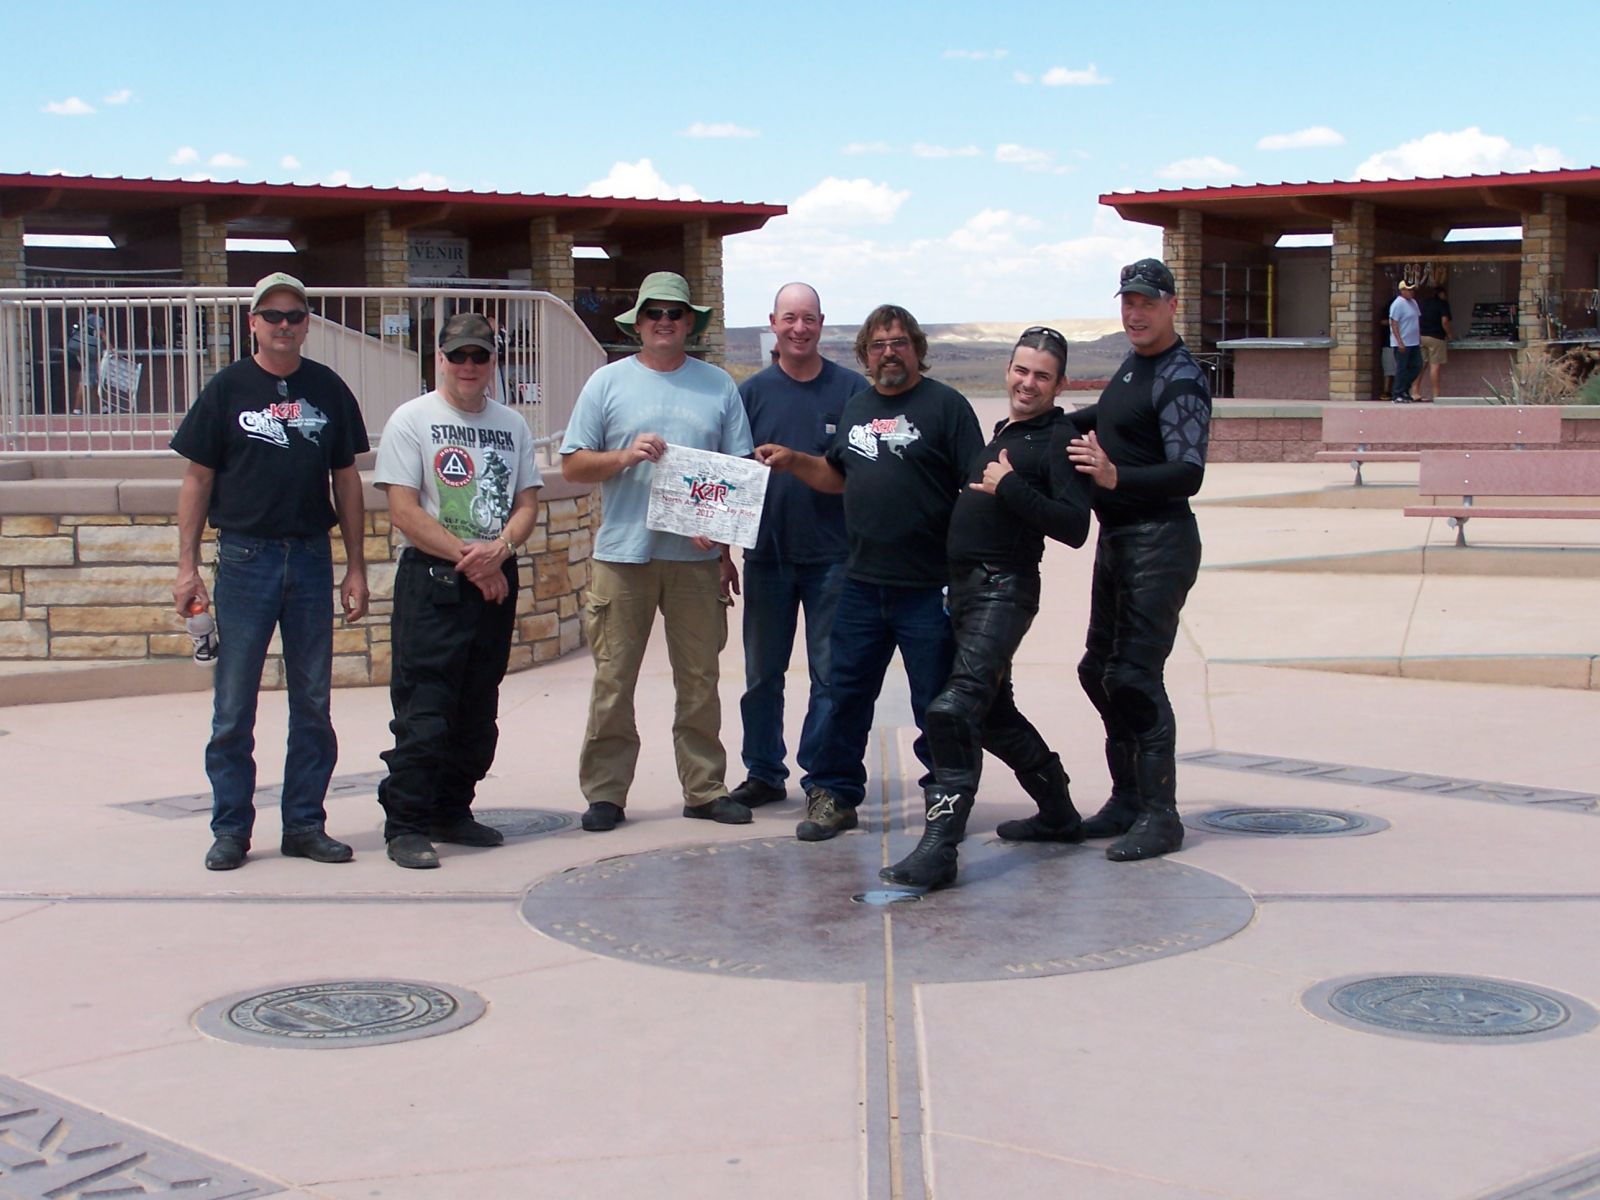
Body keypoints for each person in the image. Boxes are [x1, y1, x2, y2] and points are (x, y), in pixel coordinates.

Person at [757, 304, 983, 842]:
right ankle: (834, 795)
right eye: (878, 345)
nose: (889, 353)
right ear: (865, 354)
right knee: (844, 696)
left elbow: (976, 487)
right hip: (860, 582)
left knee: (937, 702)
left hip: (928, 586)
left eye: (899, 342)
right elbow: (838, 475)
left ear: (917, 349)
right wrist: (794, 460)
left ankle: (945, 797)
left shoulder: (947, 407)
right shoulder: (857, 408)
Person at [880, 327, 1093, 889]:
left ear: (1059, 384)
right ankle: (1059, 813)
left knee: (952, 710)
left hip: (1005, 589)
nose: (1028, 383)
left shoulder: (1058, 439)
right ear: (1008, 371)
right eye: (1021, 370)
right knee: (994, 719)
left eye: (1042, 376)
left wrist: (1010, 486)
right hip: (966, 591)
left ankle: (939, 850)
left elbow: (1074, 526)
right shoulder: (1007, 431)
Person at [171, 272, 369, 871]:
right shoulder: (227, 388)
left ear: (307, 325)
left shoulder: (327, 388)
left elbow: (346, 479)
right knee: (234, 707)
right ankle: (231, 829)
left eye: (294, 316)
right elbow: (197, 478)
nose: (284, 325)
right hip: (245, 559)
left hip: (309, 557)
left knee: (313, 703)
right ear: (253, 322)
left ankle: (305, 824)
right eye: (273, 315)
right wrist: (186, 567)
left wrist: (356, 566)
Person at [560, 271, 755, 832]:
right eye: (654, 313)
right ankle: (605, 793)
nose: (664, 321)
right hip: (624, 556)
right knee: (613, 679)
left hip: (695, 562)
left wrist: (719, 537)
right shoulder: (606, 383)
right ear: (638, 323)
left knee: (699, 680)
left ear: (690, 322)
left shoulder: (718, 386)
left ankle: (704, 788)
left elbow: (736, 473)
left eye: (674, 313)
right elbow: (573, 464)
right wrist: (624, 456)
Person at [372, 313, 542, 869]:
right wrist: (474, 560)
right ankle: (406, 824)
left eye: (480, 356)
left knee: (477, 707)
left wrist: (501, 550)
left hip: (494, 579)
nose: (469, 366)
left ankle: (452, 810)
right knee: (425, 709)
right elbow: (403, 510)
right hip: (435, 581)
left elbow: (526, 504)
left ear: (494, 362)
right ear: (440, 359)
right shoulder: (412, 419)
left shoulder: (512, 425)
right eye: (458, 356)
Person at [1064, 258, 1209, 862]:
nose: (1136, 313)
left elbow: (1188, 471)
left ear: (1172, 305)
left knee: (1133, 676)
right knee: (1097, 670)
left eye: (1148, 302)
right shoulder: (1134, 365)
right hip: (1119, 539)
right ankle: (1127, 799)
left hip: (1160, 543)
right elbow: (1111, 417)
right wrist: (1042, 426)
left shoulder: (1181, 377)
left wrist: (1116, 476)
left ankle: (1160, 814)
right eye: (1128, 302)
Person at [730, 283, 868, 811]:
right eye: (789, 318)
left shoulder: (851, 390)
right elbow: (731, 476)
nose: (799, 328)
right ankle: (764, 772)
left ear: (821, 323)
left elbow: (863, 472)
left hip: (834, 558)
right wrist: (721, 548)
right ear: (773, 323)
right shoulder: (751, 394)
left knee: (830, 676)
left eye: (808, 318)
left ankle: (822, 780)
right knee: (761, 676)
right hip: (767, 556)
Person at [1418, 284, 1453, 403]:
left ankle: (1415, 391)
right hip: (1436, 337)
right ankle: (1436, 395)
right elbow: (1445, 321)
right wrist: (1449, 334)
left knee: (1421, 365)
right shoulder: (1442, 304)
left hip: (1422, 336)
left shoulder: (1424, 303)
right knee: (1434, 366)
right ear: (1441, 294)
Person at [1389, 278, 1422, 403]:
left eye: (1412, 289)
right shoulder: (1397, 304)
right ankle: (1397, 393)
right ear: (1402, 290)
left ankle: (1404, 389)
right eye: (1409, 290)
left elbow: (1416, 321)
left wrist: (1419, 338)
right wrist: (1399, 342)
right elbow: (1394, 323)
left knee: (1417, 366)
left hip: (1414, 342)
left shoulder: (1413, 302)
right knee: (1402, 368)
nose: (1411, 292)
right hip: (1402, 343)